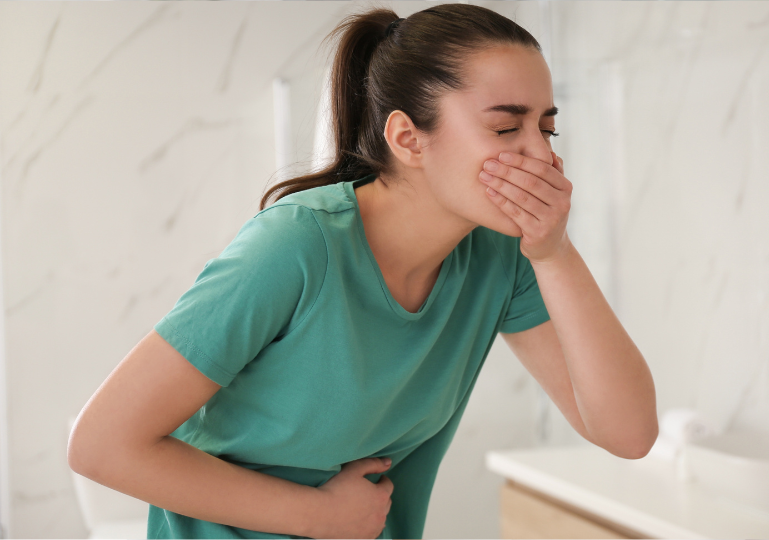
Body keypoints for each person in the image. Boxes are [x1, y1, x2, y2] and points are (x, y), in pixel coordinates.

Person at [67, 3, 658, 539]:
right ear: (407, 138)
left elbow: (628, 435)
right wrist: (318, 516)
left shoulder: (503, 256)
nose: (542, 154)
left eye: (547, 127)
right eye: (506, 128)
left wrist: (554, 251)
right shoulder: (297, 246)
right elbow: (102, 446)